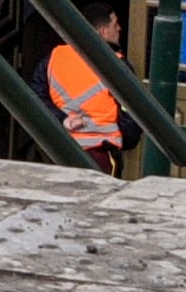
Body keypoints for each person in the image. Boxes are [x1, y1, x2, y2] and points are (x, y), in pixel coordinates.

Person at [45, 12, 129, 178]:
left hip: (59, 148)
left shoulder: (56, 56)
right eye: (115, 25)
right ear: (103, 32)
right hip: (101, 152)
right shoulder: (118, 65)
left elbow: (37, 96)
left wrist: (60, 119)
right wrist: (127, 141)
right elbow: (131, 111)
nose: (119, 28)